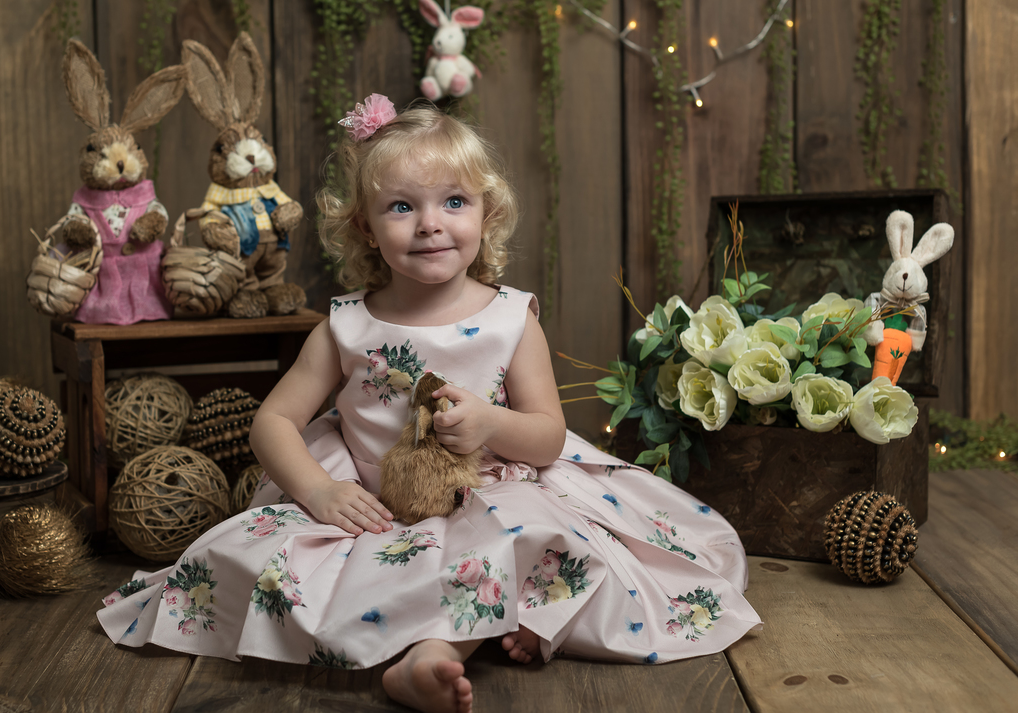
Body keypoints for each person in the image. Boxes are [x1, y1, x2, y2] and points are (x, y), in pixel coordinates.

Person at [97, 96, 761, 713]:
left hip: (493, 488)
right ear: (365, 226)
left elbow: (548, 437)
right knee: (268, 560)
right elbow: (272, 421)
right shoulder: (346, 325)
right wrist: (321, 491)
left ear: (486, 213)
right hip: (375, 499)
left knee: (527, 535)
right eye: (401, 207)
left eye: (453, 201)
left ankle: (432, 656)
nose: (431, 223)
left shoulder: (510, 318)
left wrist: (491, 422)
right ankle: (476, 628)